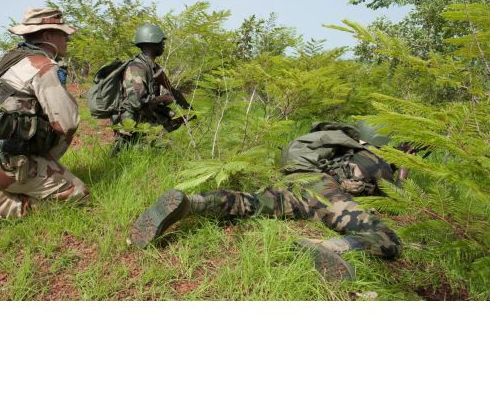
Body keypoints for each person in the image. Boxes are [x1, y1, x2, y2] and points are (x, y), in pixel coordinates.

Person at [129, 122, 403, 281]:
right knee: (386, 237)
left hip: (296, 181)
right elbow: (398, 197)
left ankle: (192, 203)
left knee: (249, 202)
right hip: (322, 191)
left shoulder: (340, 145)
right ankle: (331, 247)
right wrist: (401, 167)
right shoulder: (375, 158)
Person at [0, 7, 89, 223]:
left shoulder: (10, 57)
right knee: (78, 194)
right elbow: (68, 123)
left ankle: (10, 184)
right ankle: (0, 204)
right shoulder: (43, 66)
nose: (67, 40)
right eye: (63, 34)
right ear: (47, 36)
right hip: (4, 160)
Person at [110, 23, 188, 155]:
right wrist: (164, 98)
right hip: (132, 122)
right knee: (127, 154)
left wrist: (173, 113)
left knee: (167, 143)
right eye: (160, 41)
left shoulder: (151, 66)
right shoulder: (137, 67)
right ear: (151, 43)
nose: (163, 45)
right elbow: (137, 102)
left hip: (145, 117)